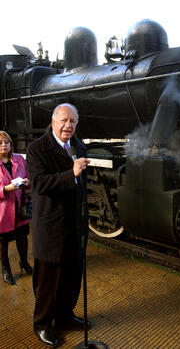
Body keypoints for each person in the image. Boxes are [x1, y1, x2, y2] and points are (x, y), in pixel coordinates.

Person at [26, 103, 91, 348]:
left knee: (72, 277)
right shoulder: (37, 149)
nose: (69, 126)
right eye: (64, 120)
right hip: (51, 226)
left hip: (74, 225)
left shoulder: (77, 144)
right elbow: (40, 184)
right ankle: (42, 324)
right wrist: (71, 174)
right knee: (48, 280)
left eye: (73, 121)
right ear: (53, 121)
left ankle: (64, 316)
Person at [0, 131, 32, 285]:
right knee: (3, 242)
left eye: (6, 142)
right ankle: (5, 270)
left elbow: (28, 177)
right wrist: (6, 189)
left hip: (20, 207)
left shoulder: (19, 159)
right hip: (3, 211)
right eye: (0, 143)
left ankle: (24, 262)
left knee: (22, 237)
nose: (3, 145)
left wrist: (27, 181)